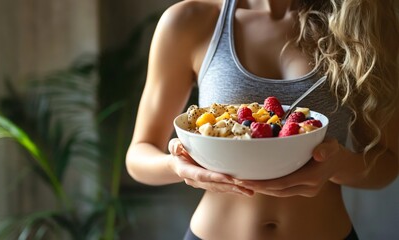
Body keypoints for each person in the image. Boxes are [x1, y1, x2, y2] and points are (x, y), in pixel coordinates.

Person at [126, 0, 399, 239]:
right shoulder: (189, 21)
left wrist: (337, 165)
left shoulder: (362, 26)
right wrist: (178, 167)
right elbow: (138, 156)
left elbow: (386, 165)